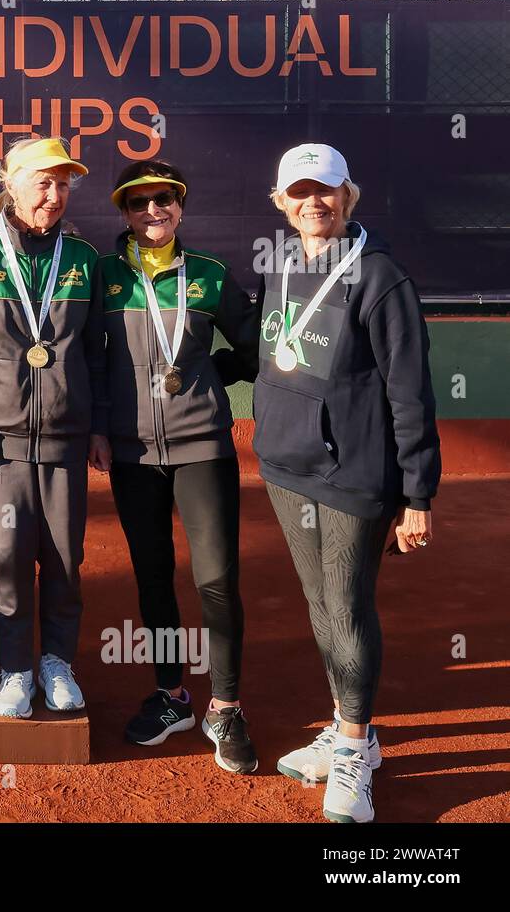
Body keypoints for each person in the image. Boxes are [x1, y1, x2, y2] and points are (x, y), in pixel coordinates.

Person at [257, 143, 440, 822]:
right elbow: (276, 353)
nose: (313, 203)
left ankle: (357, 750)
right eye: (299, 192)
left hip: (353, 473)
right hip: (284, 467)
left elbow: (411, 392)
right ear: (281, 203)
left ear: (348, 196)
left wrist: (418, 494)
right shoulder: (279, 265)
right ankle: (342, 723)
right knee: (318, 603)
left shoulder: (380, 277)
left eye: (326, 191)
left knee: (348, 606)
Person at [97, 159, 261, 772]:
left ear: (180, 206)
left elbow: (254, 347)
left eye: (163, 200)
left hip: (202, 446)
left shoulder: (212, 276)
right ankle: (172, 695)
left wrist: (210, 378)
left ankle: (227, 706)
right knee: (153, 576)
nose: (152, 212)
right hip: (133, 451)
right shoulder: (106, 276)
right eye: (139, 203)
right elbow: (90, 357)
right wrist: (101, 428)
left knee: (215, 580)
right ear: (125, 212)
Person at [0, 137, 110, 719]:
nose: (54, 194)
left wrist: (98, 429)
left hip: (66, 436)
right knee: (9, 553)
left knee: (65, 556)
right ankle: (16, 668)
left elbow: (96, 352)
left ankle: (57, 663)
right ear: (10, 184)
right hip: (1, 439)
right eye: (42, 182)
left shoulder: (84, 258)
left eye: (63, 183)